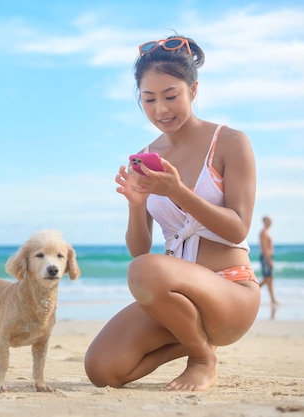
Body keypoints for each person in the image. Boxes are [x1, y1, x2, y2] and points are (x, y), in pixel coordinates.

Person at [84, 34, 261, 392]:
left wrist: (178, 192)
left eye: (170, 96)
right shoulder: (145, 156)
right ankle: (193, 337)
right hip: (177, 304)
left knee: (144, 270)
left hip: (231, 293)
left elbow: (238, 229)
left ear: (193, 90)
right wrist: (136, 205)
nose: (161, 110)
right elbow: (139, 248)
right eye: (149, 99)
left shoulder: (230, 142)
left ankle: (202, 358)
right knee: (102, 370)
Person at [259, 216, 278, 305]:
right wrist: (268, 260)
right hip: (266, 258)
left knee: (270, 280)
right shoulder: (263, 233)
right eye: (269, 221)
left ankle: (273, 300)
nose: (271, 222)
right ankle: (252, 293)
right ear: (265, 221)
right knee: (267, 279)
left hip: (268, 257)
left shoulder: (267, 232)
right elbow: (264, 248)